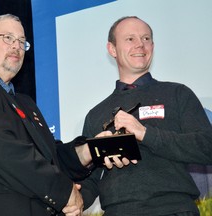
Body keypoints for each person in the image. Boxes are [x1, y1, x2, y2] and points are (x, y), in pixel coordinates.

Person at [0, 14, 119, 216]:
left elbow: (49, 157)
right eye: (8, 38)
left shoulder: (25, 103)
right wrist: (63, 192)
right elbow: (3, 151)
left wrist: (88, 151)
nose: (16, 46)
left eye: (22, 42)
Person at [79, 16, 212, 216]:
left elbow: (207, 146)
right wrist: (76, 199)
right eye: (130, 39)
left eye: (146, 38)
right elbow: (92, 178)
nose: (140, 44)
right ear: (112, 49)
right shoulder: (96, 114)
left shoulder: (177, 93)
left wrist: (145, 134)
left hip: (173, 209)